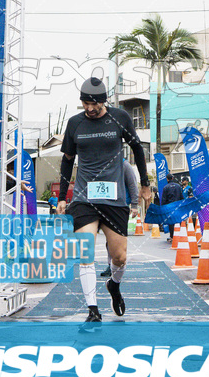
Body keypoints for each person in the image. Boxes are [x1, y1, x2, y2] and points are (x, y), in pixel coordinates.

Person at [57, 77, 151, 331]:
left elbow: (138, 148)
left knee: (119, 257)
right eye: (85, 104)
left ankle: (114, 285)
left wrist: (145, 183)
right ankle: (92, 310)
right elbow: (67, 160)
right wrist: (62, 197)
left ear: (103, 101)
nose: (89, 109)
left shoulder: (120, 118)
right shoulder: (75, 124)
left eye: (93, 104)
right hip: (84, 198)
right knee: (85, 252)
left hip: (114, 198)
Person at [100, 157, 139, 278]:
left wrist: (135, 205)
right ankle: (110, 264)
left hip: (121, 207)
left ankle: (117, 265)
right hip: (106, 205)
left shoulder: (124, 165)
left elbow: (132, 184)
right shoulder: (103, 164)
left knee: (117, 239)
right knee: (108, 239)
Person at [161, 173, 184, 239]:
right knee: (178, 220)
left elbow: (164, 199)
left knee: (171, 222)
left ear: (167, 179)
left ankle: (172, 236)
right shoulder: (178, 186)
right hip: (177, 206)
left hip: (170, 207)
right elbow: (181, 197)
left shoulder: (166, 187)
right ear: (172, 178)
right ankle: (179, 234)